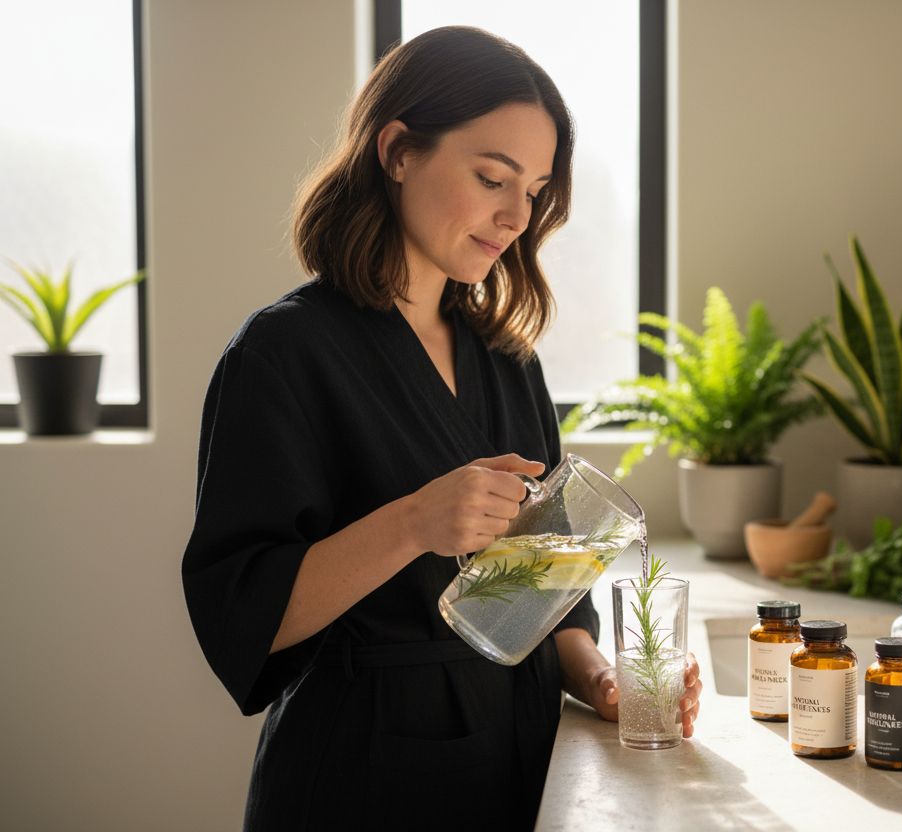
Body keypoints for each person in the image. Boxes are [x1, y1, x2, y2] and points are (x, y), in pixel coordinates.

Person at [181, 26, 702, 830]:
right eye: (492, 177)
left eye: (532, 191)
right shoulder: (284, 354)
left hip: (522, 761)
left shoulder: (507, 361)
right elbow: (243, 616)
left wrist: (606, 682)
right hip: (364, 775)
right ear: (397, 150)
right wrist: (415, 521)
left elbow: (546, 592)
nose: (515, 215)